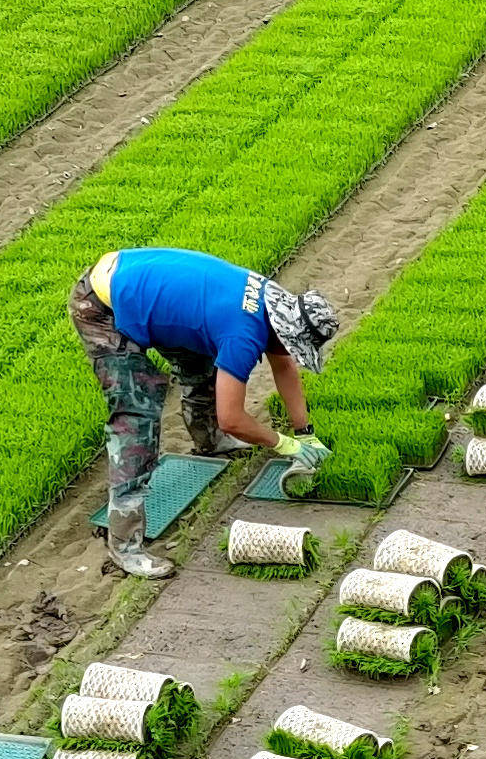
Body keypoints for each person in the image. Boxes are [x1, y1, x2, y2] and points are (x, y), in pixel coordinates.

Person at [68, 247, 339, 578]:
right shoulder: (243, 334)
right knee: (136, 417)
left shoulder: (276, 302)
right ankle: (126, 545)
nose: (293, 353)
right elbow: (233, 418)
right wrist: (285, 444)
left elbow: (283, 364)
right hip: (103, 305)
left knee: (202, 366)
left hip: (144, 283)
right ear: (284, 332)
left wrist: (305, 431)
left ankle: (209, 442)